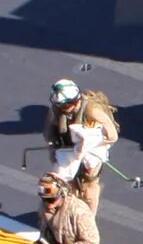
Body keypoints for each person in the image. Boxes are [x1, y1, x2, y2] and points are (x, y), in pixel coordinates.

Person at [44, 77, 118, 207]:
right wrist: (52, 148)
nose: (63, 108)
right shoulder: (55, 110)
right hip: (67, 149)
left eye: (65, 105)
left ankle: (89, 217)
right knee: (67, 184)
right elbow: (49, 133)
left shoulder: (92, 110)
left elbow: (112, 136)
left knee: (89, 188)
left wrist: (90, 144)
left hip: (91, 151)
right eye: (59, 105)